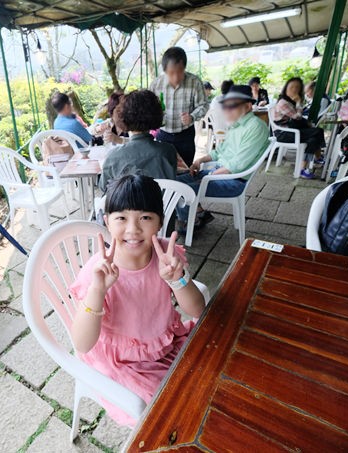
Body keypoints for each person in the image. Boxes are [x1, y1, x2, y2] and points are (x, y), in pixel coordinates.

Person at [70, 174, 205, 426]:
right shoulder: (97, 272)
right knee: (171, 414)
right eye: (121, 218)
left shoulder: (166, 256)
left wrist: (178, 280)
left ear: (159, 222)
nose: (133, 229)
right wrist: (98, 290)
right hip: (123, 362)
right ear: (107, 221)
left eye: (145, 217)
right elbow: (82, 343)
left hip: (166, 343)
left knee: (208, 378)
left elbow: (197, 309)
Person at [175, 85, 269, 231]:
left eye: (233, 105)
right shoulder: (235, 125)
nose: (227, 109)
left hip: (234, 181)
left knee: (181, 189)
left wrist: (209, 177)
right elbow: (218, 152)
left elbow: (237, 166)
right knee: (174, 182)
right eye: (226, 105)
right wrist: (199, 161)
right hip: (219, 173)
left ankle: (191, 222)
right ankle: (196, 214)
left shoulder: (256, 127)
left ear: (248, 106)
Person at [99, 90, 178, 191]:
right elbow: (171, 182)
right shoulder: (168, 151)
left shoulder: (113, 156)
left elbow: (103, 188)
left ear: (124, 117)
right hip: (162, 205)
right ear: (157, 115)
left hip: (124, 206)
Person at [149, 47, 208, 167]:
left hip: (185, 135)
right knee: (164, 170)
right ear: (164, 70)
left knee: (185, 170)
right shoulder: (156, 84)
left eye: (180, 72)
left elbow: (203, 105)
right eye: (171, 73)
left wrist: (192, 116)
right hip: (164, 135)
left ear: (185, 68)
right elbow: (149, 108)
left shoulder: (194, 82)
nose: (176, 77)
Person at [273, 77, 325, 179]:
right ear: (286, 88)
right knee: (318, 131)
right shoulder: (283, 102)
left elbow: (297, 119)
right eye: (292, 87)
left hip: (292, 131)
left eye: (297, 87)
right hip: (283, 134)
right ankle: (318, 157)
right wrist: (299, 102)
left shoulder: (289, 102)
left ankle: (302, 169)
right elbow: (297, 117)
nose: (294, 90)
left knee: (313, 139)